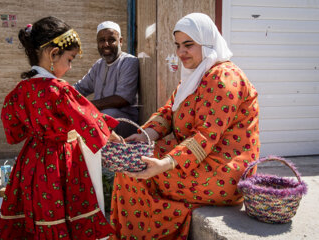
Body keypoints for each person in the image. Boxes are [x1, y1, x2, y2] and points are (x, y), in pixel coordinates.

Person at [109, 13, 260, 239]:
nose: (181, 53)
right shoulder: (196, 75)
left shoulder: (224, 77)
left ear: (207, 43)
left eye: (189, 45)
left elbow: (205, 137)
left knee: (135, 172)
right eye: (178, 45)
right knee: (133, 162)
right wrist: (144, 136)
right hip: (198, 159)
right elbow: (169, 112)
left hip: (223, 171)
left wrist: (165, 164)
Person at [0, 16, 120, 240]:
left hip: (30, 161)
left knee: (39, 208)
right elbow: (87, 118)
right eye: (69, 59)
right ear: (53, 54)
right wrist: (111, 135)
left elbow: (13, 131)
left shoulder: (20, 90)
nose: (70, 67)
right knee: (64, 208)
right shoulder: (58, 90)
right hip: (60, 160)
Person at [74, 21, 139, 138]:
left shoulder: (129, 62)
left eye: (111, 40)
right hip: (100, 116)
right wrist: (63, 94)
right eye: (102, 40)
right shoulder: (99, 65)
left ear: (121, 41)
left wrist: (88, 106)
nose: (106, 44)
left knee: (104, 116)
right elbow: (80, 88)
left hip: (124, 121)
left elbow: (123, 98)